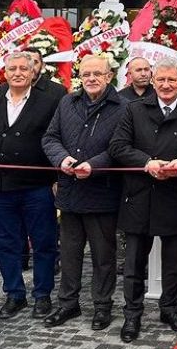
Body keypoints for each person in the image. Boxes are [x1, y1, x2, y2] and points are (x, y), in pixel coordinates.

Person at [0, 51, 63, 319]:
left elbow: (59, 140)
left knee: (44, 244)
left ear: (34, 72)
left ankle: (42, 295)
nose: (18, 73)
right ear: (5, 73)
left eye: (24, 68)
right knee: (5, 244)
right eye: (13, 69)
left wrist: (58, 178)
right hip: (0, 189)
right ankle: (14, 294)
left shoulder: (49, 103)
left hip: (38, 188)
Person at [110, 58, 177, 342]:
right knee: (134, 263)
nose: (166, 85)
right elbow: (117, 146)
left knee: (173, 263)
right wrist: (146, 162)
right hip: (140, 194)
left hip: (175, 194)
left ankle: (170, 309)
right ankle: (132, 315)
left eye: (172, 80)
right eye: (160, 79)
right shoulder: (133, 109)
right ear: (153, 81)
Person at [41, 55, 126, 331]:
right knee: (69, 253)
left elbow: (121, 147)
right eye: (86, 74)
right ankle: (68, 303)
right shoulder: (67, 102)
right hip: (70, 191)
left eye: (97, 74)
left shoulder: (123, 107)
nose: (91, 78)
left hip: (102, 193)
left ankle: (102, 306)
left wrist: (94, 165)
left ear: (109, 76)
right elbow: (50, 138)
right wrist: (61, 159)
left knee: (103, 256)